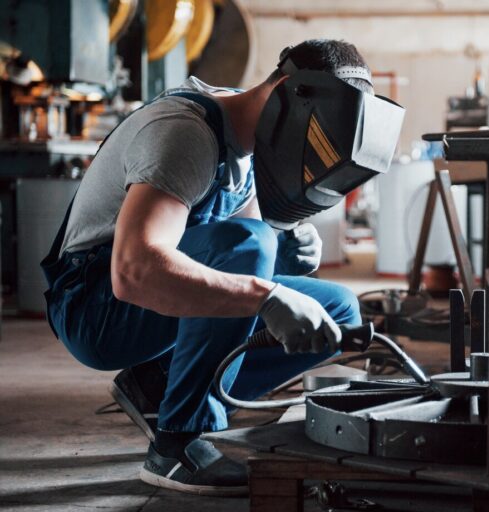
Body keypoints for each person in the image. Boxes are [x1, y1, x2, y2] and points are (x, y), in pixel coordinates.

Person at [40, 39, 403, 496]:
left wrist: (286, 245)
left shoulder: (246, 146)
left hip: (140, 296)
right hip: (94, 308)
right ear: (290, 93)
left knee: (339, 312)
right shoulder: (186, 134)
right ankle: (178, 443)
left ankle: (157, 387)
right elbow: (133, 270)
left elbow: (244, 240)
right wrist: (265, 294)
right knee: (247, 248)